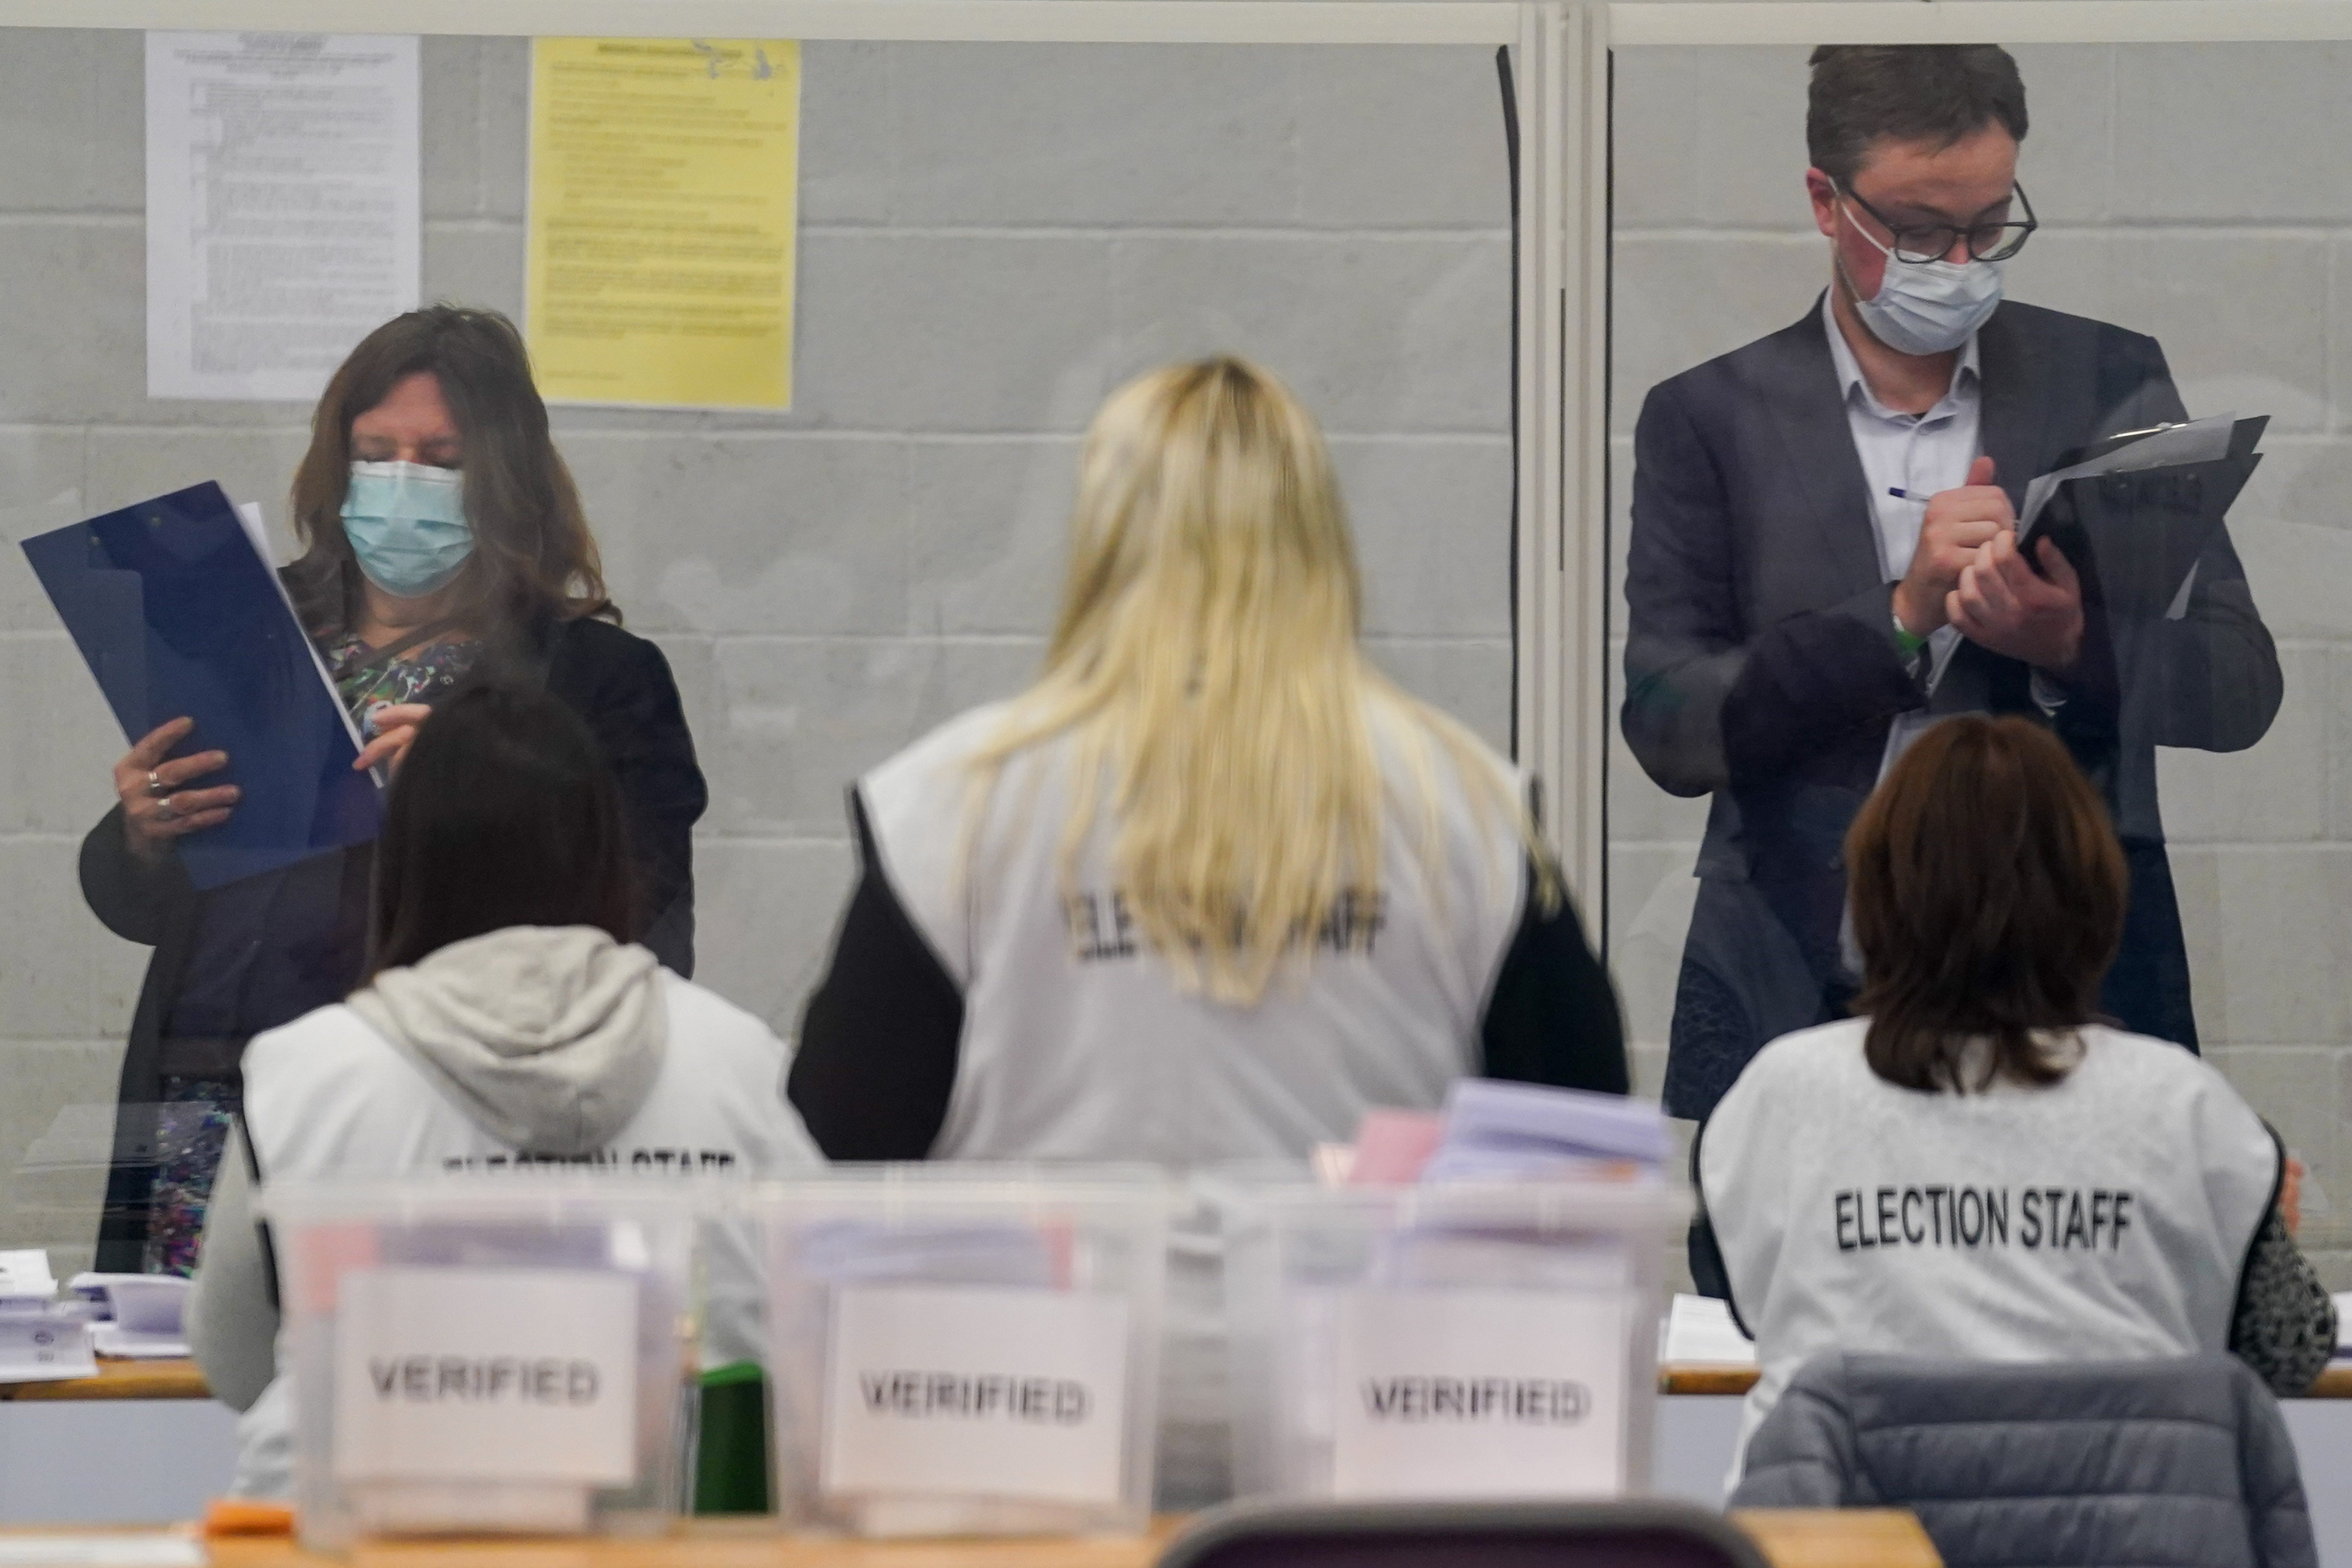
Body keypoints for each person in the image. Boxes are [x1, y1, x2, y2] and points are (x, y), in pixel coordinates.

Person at [786, 355, 1627, 1501]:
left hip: (1031, 1448)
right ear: (1318, 535)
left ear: (1101, 537)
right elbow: (1577, 1155)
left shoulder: (958, 806)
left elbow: (837, 1146)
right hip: (1358, 1450)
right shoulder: (1465, 807)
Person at [1622, 45, 2281, 1130]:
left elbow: (2239, 685)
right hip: (1804, 985)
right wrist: (1898, 618)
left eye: (1989, 226)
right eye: (1922, 232)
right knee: (1765, 1294)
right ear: (1825, 204)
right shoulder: (1709, 417)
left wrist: (2067, 640)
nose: (1961, 261)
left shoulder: (2104, 378)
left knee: (2095, 1297)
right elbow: (1668, 729)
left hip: (2072, 1003)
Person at [79, 305, 706, 1273]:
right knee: (179, 1388)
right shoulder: (253, 629)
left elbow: (648, 924)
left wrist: (476, 802)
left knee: (386, 1373)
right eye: (376, 453)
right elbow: (152, 902)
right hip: (209, 1089)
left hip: (424, 1106)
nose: (402, 483)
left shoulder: (593, 674)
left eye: (441, 458)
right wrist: (143, 833)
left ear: (506, 476)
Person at [184, 682, 818, 1498]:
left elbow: (236, 1359)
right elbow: (806, 1349)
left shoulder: (306, 1073)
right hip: (671, 1539)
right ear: (605, 848)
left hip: (362, 1541)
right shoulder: (744, 1063)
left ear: (408, 861)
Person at [1696, 715, 2334, 1475]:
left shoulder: (1779, 1096)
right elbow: (2291, 1350)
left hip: (1844, 1533)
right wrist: (2257, 1226)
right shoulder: (2188, 1109)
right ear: (2093, 895)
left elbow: (1742, 1302)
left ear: (1876, 888)